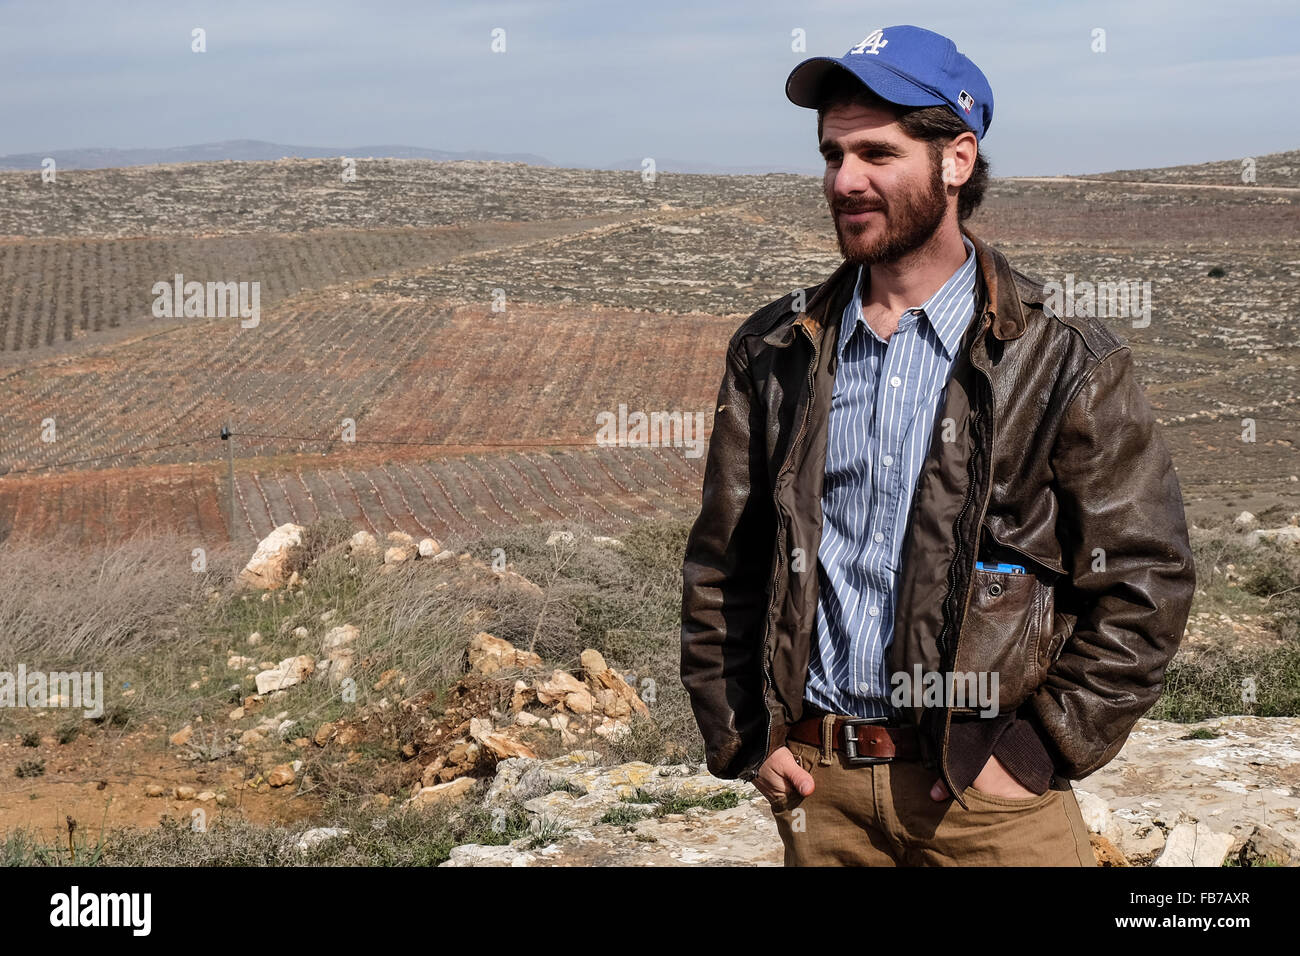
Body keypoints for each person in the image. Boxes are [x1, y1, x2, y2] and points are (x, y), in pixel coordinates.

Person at [679, 24, 1196, 866]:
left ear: (956, 160)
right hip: (820, 791)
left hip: (986, 799)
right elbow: (724, 562)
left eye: (877, 154)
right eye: (832, 154)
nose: (845, 181)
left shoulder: (1062, 359)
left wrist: (1035, 752)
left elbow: (1148, 576)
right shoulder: (777, 350)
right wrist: (745, 737)